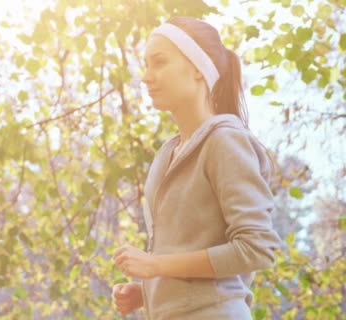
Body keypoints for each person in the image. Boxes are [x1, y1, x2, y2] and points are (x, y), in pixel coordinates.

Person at [111, 16, 282, 319]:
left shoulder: (224, 141)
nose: (146, 76)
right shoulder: (167, 155)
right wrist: (149, 291)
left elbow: (257, 248)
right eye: (146, 65)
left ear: (196, 68)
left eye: (159, 62)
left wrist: (155, 266)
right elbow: (191, 254)